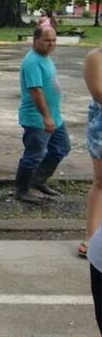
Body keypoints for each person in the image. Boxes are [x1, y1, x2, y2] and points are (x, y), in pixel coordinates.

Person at [15, 26, 70, 203]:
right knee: (33, 155)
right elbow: (36, 91)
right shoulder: (32, 62)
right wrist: (46, 116)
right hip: (37, 118)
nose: (51, 44)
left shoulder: (45, 58)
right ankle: (22, 190)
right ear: (35, 40)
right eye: (47, 40)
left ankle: (38, 179)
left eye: (54, 40)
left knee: (61, 147)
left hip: (54, 117)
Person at [82, 48, 102, 257]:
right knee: (101, 182)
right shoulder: (95, 58)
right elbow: (99, 92)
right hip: (101, 127)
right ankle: (92, 236)